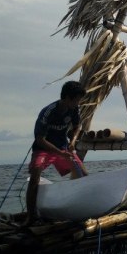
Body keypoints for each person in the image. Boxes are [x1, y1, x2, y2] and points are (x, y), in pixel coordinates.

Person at [24, 80, 88, 225]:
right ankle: (31, 216)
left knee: (83, 173)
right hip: (44, 148)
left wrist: (73, 141)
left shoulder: (74, 109)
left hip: (63, 147)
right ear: (66, 98)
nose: (78, 103)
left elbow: (78, 125)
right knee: (35, 174)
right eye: (77, 99)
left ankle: (80, 206)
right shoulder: (48, 112)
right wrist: (59, 152)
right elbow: (39, 139)